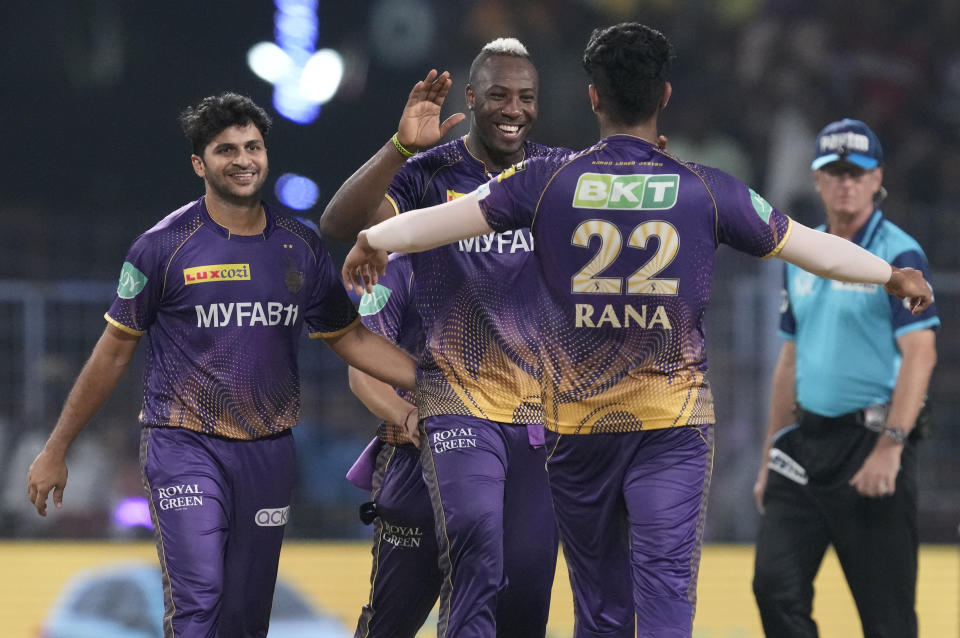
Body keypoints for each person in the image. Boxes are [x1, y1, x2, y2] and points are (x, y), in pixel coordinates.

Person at [339, 23, 934, 638]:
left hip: (579, 431)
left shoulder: (547, 182)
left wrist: (372, 240)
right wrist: (891, 274)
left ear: (593, 97)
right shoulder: (706, 187)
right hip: (672, 426)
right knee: (666, 590)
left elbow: (439, 223)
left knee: (599, 603)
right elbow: (811, 248)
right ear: (665, 96)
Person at [26, 92, 416, 638]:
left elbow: (349, 338)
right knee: (199, 601)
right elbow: (112, 351)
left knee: (245, 618)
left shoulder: (299, 246)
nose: (242, 159)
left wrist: (436, 381)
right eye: (225, 149)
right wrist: (56, 447)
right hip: (183, 444)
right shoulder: (161, 248)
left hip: (269, 452)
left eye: (252, 146)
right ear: (199, 164)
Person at [321, 38, 561, 638]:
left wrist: (640, 165)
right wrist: (400, 148)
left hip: (527, 431)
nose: (514, 108)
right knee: (394, 620)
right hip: (432, 433)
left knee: (526, 599)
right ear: (473, 99)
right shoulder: (420, 195)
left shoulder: (555, 176)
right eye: (499, 95)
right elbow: (339, 225)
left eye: (526, 97)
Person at [751, 119, 939, 638]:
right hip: (805, 448)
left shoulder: (899, 255)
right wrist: (772, 454)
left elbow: (920, 354)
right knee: (774, 586)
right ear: (816, 179)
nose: (845, 183)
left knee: (888, 620)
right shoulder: (802, 253)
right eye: (833, 172)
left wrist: (891, 446)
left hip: (870, 443)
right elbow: (789, 359)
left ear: (878, 178)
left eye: (856, 173)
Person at [343, 251, 442, 638]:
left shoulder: (530, 253)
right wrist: (406, 414)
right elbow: (362, 370)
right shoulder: (396, 269)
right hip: (413, 460)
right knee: (390, 621)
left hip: (512, 454)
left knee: (506, 613)